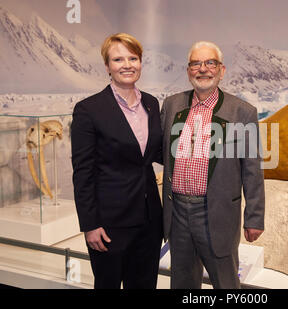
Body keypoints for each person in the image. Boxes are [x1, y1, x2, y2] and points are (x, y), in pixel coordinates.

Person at [160, 41, 265, 289]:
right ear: (188, 71)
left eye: (210, 63)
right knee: (182, 281)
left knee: (226, 282)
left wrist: (254, 217)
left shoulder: (243, 112)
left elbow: (252, 170)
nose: (203, 69)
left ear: (222, 70)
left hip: (216, 213)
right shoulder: (172, 105)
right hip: (178, 214)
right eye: (196, 63)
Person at [71, 33, 163, 289]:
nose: (127, 65)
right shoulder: (89, 109)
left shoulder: (152, 104)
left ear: (141, 62)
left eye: (133, 58)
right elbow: (83, 172)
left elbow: (155, 153)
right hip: (109, 225)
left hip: (149, 221)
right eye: (118, 59)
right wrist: (90, 225)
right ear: (107, 66)